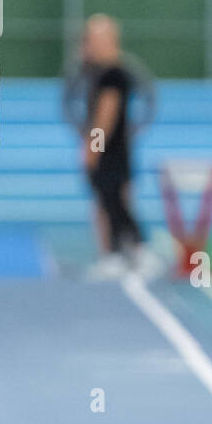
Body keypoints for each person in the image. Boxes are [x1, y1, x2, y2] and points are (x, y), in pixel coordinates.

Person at [75, 15, 149, 274]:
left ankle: (133, 251)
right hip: (111, 147)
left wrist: (93, 147)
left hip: (111, 149)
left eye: (95, 39)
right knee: (111, 200)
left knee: (114, 200)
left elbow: (106, 114)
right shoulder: (98, 71)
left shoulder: (113, 74)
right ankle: (122, 252)